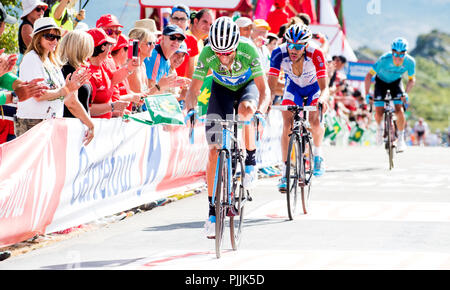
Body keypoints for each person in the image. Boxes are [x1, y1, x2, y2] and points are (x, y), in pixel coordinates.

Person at [185, 17, 270, 238]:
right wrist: (191, 109)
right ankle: (212, 212)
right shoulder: (206, 54)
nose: (223, 58)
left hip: (246, 87)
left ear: (236, 46)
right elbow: (193, 89)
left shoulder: (248, 49)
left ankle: (250, 159)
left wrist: (261, 111)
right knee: (213, 151)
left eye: (228, 53)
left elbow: (264, 89)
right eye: (219, 53)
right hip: (221, 90)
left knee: (247, 110)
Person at [268, 24, 329, 192]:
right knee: (287, 124)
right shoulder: (278, 53)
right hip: (293, 87)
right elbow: (271, 86)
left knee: (315, 122)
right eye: (290, 45)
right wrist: (267, 101)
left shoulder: (316, 54)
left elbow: (325, 88)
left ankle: (317, 154)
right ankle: (285, 171)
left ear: (306, 46)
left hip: (314, 89)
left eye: (298, 46)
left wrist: (323, 100)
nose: (293, 50)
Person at [17, 17, 93, 144]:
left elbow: (69, 99)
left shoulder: (53, 62)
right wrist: (65, 90)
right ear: (38, 37)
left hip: (51, 122)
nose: (55, 41)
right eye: (50, 37)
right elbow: (38, 95)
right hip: (33, 123)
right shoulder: (32, 58)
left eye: (58, 37)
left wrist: (90, 124)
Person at [364, 37, 415, 152]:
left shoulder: (410, 62)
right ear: (391, 52)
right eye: (395, 54)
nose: (398, 57)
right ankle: (379, 129)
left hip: (396, 82)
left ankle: (401, 139)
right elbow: (368, 76)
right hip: (381, 82)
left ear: (405, 54)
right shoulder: (383, 59)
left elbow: (412, 80)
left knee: (399, 109)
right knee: (379, 110)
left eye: (401, 54)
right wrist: (367, 94)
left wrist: (406, 93)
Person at [86, 28, 129, 119]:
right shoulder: (88, 73)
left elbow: (112, 82)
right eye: (109, 44)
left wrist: (116, 111)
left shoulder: (103, 66)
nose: (111, 48)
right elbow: (87, 108)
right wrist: (113, 107)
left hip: (104, 126)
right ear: (102, 47)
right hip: (94, 129)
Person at [58, 29, 94, 117]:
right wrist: (89, 124)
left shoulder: (72, 70)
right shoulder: (68, 72)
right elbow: (71, 104)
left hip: (79, 124)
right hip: (71, 124)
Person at [144, 24, 189, 94]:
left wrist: (176, 83)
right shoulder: (154, 56)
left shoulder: (167, 59)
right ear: (163, 38)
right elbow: (149, 93)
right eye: (172, 37)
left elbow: (160, 88)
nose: (176, 42)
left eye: (180, 39)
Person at [110, 34, 146, 115]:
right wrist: (132, 97)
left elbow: (125, 92)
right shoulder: (113, 70)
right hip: (115, 120)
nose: (129, 54)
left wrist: (135, 96)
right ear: (122, 50)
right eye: (128, 50)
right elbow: (110, 100)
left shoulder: (121, 69)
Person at [168, 4, 198, 79]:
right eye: (175, 18)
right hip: (165, 84)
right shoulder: (162, 40)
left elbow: (191, 68)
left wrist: (187, 87)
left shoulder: (192, 41)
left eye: (182, 19)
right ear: (170, 20)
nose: (179, 22)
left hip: (181, 85)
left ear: (188, 22)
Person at [127, 27, 158, 98]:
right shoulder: (133, 67)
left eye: (154, 43)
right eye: (149, 43)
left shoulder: (142, 65)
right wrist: (159, 86)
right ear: (138, 45)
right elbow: (140, 97)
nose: (153, 47)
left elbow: (146, 91)